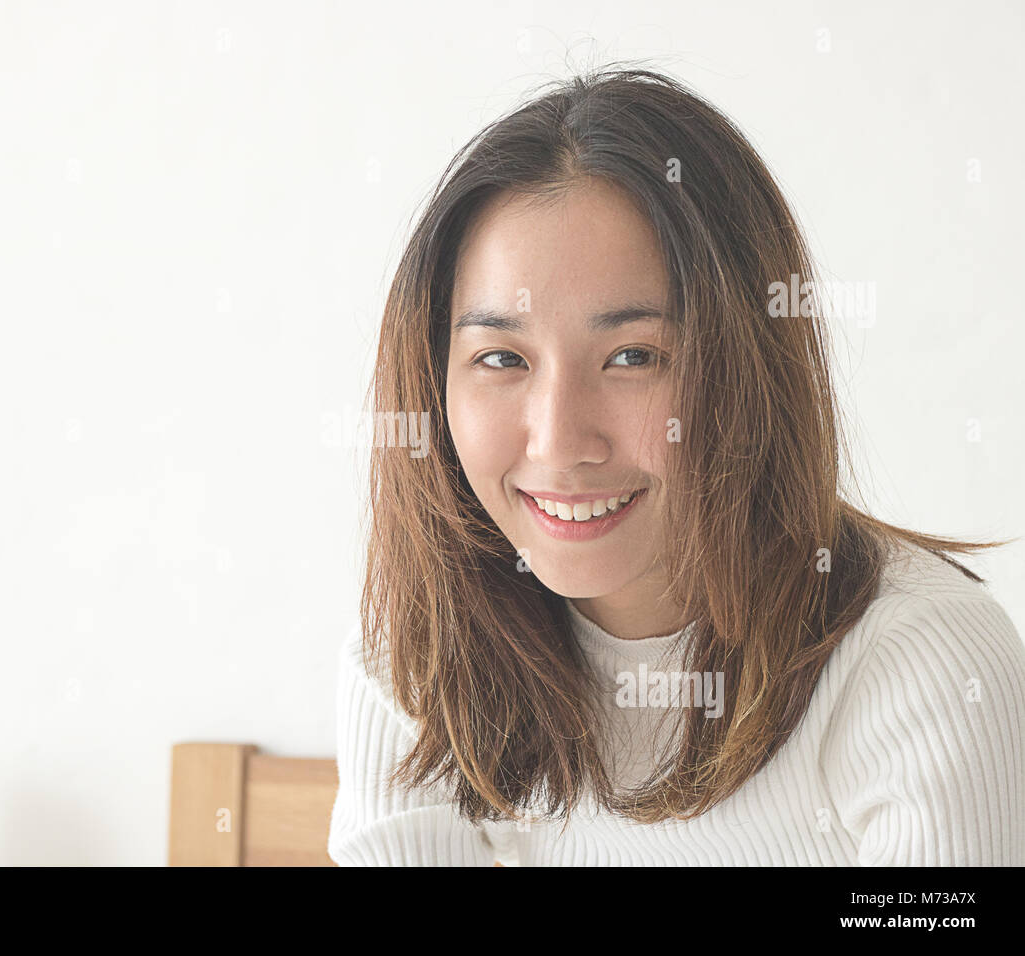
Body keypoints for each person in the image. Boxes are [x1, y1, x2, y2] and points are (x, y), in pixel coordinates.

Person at [327, 66, 1025, 866]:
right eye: (501, 358)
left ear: (749, 369)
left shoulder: (924, 662)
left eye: (633, 356)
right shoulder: (418, 661)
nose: (558, 441)